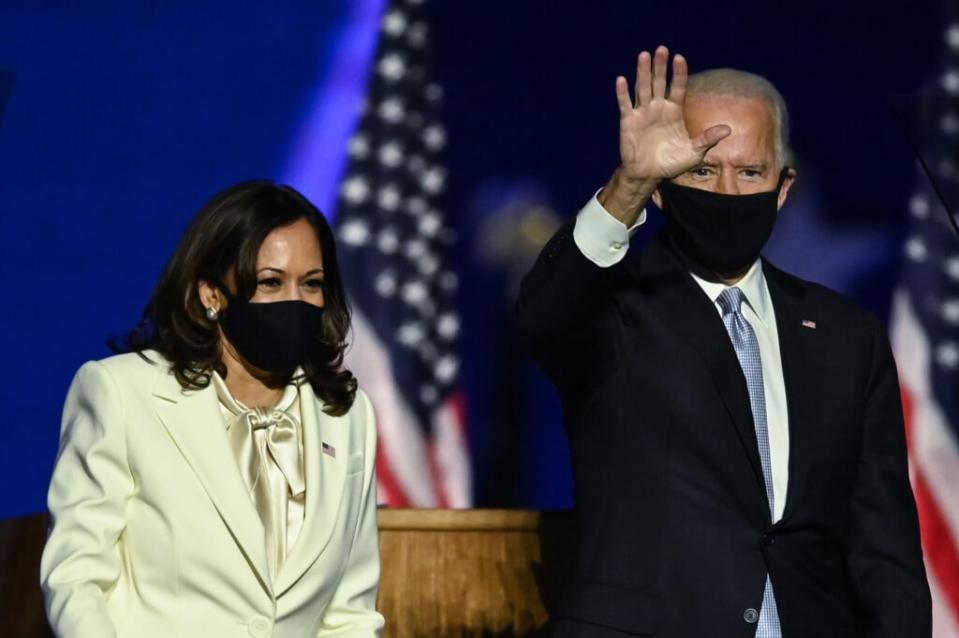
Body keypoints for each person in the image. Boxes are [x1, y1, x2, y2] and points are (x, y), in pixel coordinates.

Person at [517, 46, 931, 637]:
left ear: (784, 187)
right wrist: (628, 185)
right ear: (664, 186)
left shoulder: (846, 336)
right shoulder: (614, 311)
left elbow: (883, 547)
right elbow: (542, 316)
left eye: (752, 172)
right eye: (702, 170)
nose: (729, 191)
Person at [40, 181, 384, 637]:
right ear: (212, 293)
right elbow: (75, 579)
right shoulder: (122, 393)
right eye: (271, 282)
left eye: (312, 283)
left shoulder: (347, 416)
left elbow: (351, 613)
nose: (295, 301)